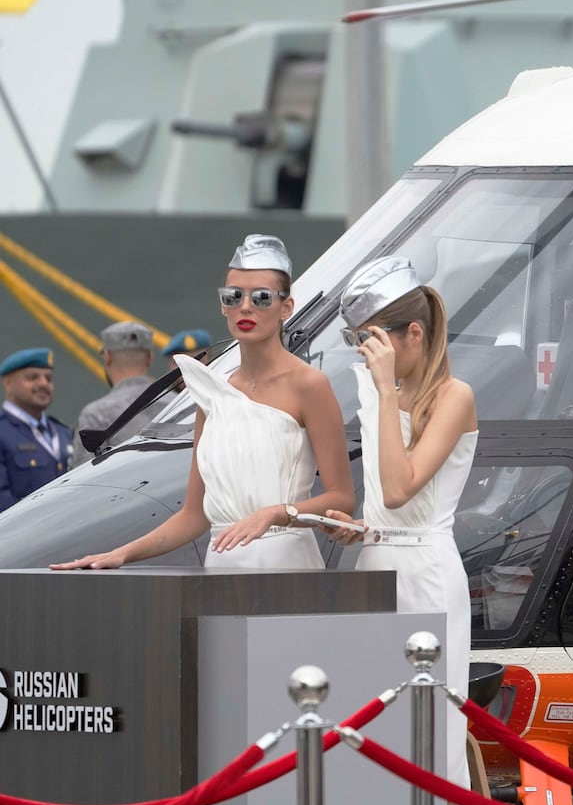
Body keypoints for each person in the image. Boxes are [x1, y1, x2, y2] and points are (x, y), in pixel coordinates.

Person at [51, 235, 352, 570]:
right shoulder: (212, 393)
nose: (246, 307)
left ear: (287, 307)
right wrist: (121, 553)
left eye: (262, 297)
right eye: (234, 296)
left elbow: (342, 498)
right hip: (221, 568)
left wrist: (277, 513)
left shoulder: (309, 385)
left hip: (286, 564)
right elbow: (193, 517)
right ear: (223, 305)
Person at [319, 256, 478, 787]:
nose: (365, 356)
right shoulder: (382, 390)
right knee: (371, 726)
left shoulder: (454, 397)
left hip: (426, 575)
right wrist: (361, 525)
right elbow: (387, 504)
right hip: (376, 563)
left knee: (429, 731)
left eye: (371, 342)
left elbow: (399, 485)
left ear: (414, 333)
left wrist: (386, 392)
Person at [73, 321, 157, 466]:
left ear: (107, 357)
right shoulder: (181, 404)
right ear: (150, 358)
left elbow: (84, 480)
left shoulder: (96, 415)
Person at [1, 348, 73, 511]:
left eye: (48, 378)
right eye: (32, 377)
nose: (43, 384)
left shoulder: (63, 432)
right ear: (8, 383)